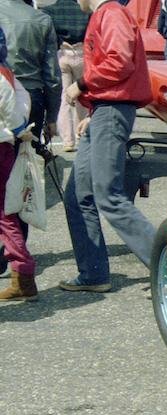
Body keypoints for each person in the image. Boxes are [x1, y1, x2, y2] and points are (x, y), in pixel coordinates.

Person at [58, 0, 155, 293]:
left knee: (108, 196)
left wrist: (81, 85)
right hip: (105, 109)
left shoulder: (111, 14)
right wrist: (95, 112)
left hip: (111, 109)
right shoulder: (108, 14)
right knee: (77, 195)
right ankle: (93, 274)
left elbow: (119, 62)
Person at [0, 0, 61, 275]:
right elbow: (52, 74)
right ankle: (17, 249)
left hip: (6, 91)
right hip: (29, 99)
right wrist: (52, 115)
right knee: (19, 178)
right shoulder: (41, 19)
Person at [0, 26, 36, 300]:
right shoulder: (6, 74)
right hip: (4, 145)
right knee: (5, 214)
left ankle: (23, 274)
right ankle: (23, 275)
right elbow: (19, 108)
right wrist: (18, 129)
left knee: (4, 214)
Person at [41, 0, 89, 151]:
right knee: (82, 95)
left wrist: (60, 41)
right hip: (82, 53)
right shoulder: (86, 11)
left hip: (62, 54)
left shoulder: (49, 10)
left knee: (64, 98)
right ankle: (81, 135)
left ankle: (68, 141)